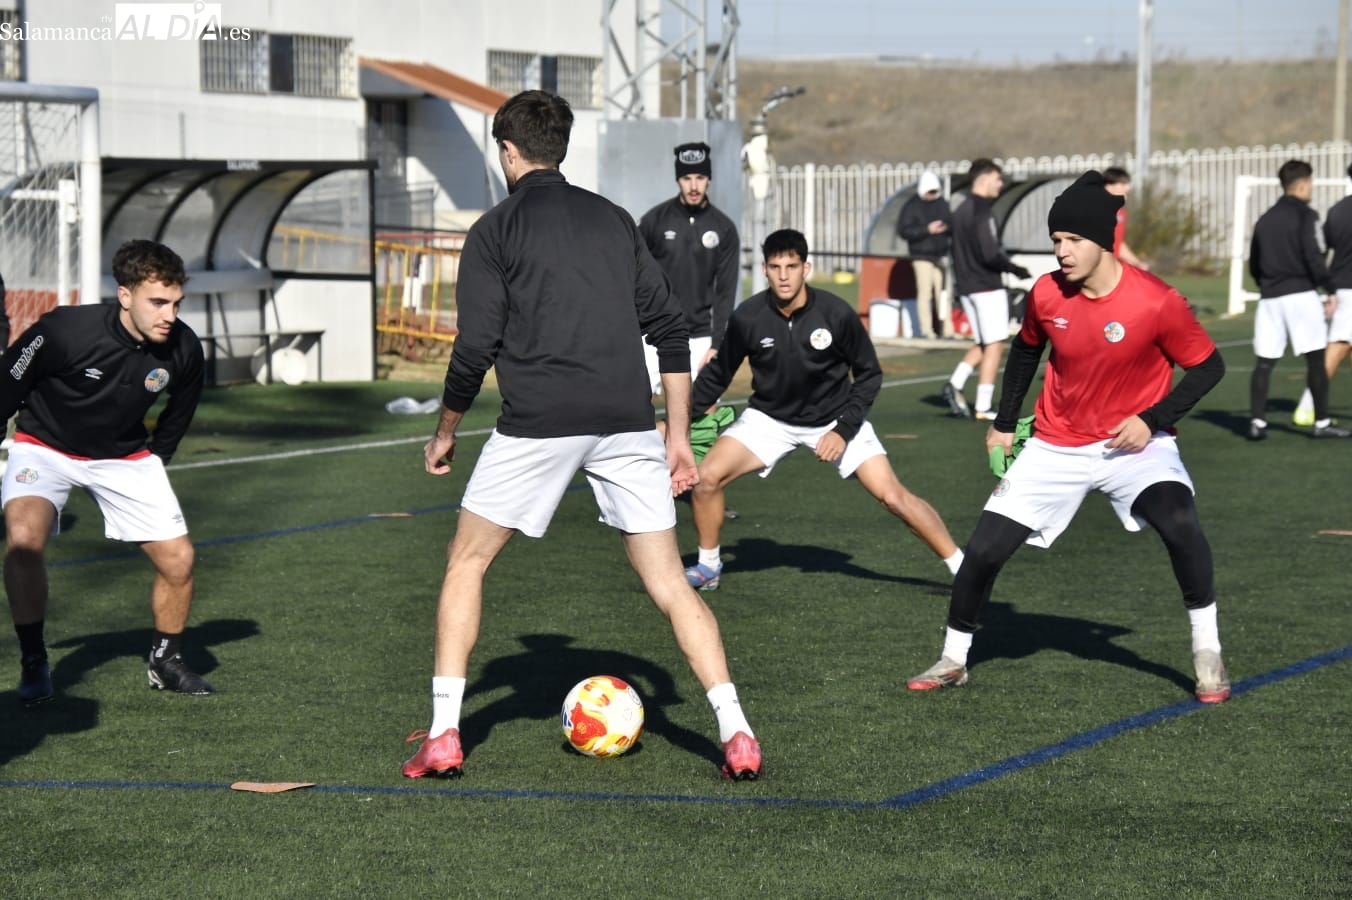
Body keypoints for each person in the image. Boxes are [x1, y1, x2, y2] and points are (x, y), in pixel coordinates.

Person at [402, 90, 762, 782]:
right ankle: (737, 730)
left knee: (467, 562)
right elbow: (672, 330)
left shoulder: (494, 231)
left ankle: (445, 733)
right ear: (560, 148)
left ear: (507, 151)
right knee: (669, 584)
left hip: (537, 421)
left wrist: (445, 431)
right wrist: (679, 435)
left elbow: (475, 345)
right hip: (626, 418)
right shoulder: (615, 220)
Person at [907, 170, 1232, 705]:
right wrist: (1004, 423)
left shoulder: (1157, 301)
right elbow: (1026, 351)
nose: (1060, 251)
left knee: (1179, 524)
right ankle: (953, 659)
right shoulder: (1045, 293)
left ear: (1103, 241)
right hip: (1055, 445)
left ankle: (1207, 651)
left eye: (1072, 240)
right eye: (1056, 240)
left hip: (1136, 448)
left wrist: (1152, 419)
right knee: (983, 552)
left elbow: (1208, 367)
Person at [682, 228, 965, 592]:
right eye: (775, 266)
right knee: (706, 479)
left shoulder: (836, 314)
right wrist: (678, 419)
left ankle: (963, 569)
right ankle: (709, 566)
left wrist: (843, 430)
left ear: (807, 268)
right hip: (769, 419)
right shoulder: (748, 317)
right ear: (764, 270)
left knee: (893, 497)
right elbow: (717, 376)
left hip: (835, 417)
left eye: (792, 266)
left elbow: (869, 376)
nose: (784, 275)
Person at [2, 239, 212, 706]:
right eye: (157, 302)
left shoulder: (183, 347)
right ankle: (35, 662)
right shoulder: (64, 331)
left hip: (123, 455)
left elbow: (181, 409)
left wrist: (158, 457)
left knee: (179, 559)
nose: (169, 315)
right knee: (23, 538)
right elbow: (9, 380)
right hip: (44, 447)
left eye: (176, 303)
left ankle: (166, 660)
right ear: (124, 296)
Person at [1247, 159, 1351, 440]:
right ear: (1303, 184)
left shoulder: (1265, 218)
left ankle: (1257, 422)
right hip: (1301, 296)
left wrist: (1265, 284)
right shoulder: (1307, 216)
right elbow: (1314, 257)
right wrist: (1329, 289)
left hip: (1269, 299)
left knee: (1264, 362)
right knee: (1316, 360)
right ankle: (1321, 422)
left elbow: (1254, 262)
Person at [638, 141, 741, 396]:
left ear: (710, 180)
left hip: (699, 337)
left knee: (699, 413)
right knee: (636, 410)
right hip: (654, 333)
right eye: (686, 178)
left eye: (700, 177)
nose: (694, 186)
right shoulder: (653, 221)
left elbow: (725, 292)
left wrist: (717, 343)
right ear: (677, 180)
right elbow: (635, 277)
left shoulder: (724, 228)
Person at [943, 158, 1032, 420]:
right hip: (986, 285)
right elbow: (989, 253)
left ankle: (956, 383)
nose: (1000, 184)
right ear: (983, 179)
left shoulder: (960, 210)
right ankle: (983, 405)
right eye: (997, 178)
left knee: (984, 341)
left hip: (968, 285)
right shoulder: (982, 211)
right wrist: (1014, 269)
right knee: (995, 343)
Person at [1292, 161, 1352, 426]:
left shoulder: (1337, 211)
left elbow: (1323, 248)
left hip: (1341, 285)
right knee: (1338, 345)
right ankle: (1307, 406)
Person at [897, 171, 953, 338]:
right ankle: (926, 331)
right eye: (930, 192)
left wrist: (945, 228)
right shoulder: (911, 206)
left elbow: (951, 223)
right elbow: (904, 230)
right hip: (921, 256)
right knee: (925, 293)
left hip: (940, 255)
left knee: (944, 294)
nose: (932, 195)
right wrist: (926, 230)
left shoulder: (942, 204)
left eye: (935, 192)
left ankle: (947, 330)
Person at [1103, 166, 1149, 270]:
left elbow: (1118, 244)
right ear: (1108, 186)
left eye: (1127, 184)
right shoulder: (1097, 210)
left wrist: (1137, 263)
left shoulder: (1121, 213)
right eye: (1123, 184)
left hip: (1112, 268)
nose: (1128, 188)